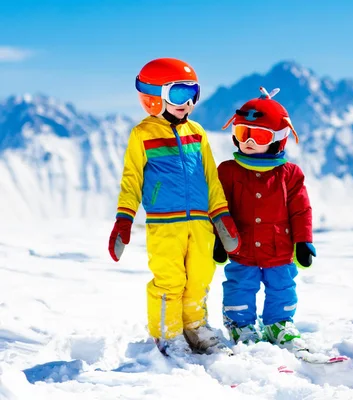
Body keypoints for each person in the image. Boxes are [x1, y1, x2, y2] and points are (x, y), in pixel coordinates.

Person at [107, 58, 240, 355]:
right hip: (165, 225)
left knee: (199, 278)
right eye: (179, 94)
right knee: (170, 281)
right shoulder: (143, 134)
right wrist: (124, 218)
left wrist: (221, 216)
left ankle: (195, 328)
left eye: (193, 92)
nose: (188, 102)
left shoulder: (197, 132)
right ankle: (169, 335)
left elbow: (211, 178)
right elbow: (131, 180)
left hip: (201, 224)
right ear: (154, 98)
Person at [214, 87, 316, 351]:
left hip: (279, 247)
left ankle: (278, 323)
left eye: (258, 135)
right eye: (242, 133)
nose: (248, 141)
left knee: (282, 286)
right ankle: (240, 324)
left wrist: (303, 242)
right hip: (241, 245)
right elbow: (218, 207)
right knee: (239, 285)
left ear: (278, 139)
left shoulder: (290, 173)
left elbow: (301, 210)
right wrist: (217, 238)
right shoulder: (228, 171)